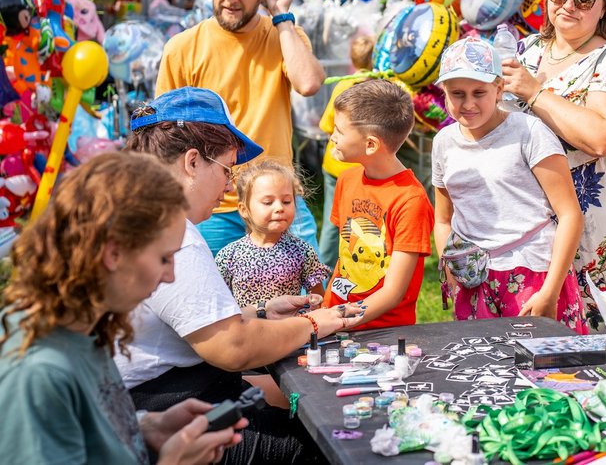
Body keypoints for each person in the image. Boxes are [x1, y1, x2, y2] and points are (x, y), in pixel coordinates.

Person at [119, 87, 361, 464]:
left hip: (148, 402)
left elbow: (182, 321)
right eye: (227, 169)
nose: (230, 186)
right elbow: (233, 347)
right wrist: (315, 322)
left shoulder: (135, 207)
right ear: (193, 162)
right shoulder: (171, 230)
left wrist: (262, 312)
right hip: (159, 409)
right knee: (327, 444)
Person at [0, 152, 247, 464]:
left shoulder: (82, 328)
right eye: (163, 258)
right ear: (114, 253)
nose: (170, 274)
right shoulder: (37, 375)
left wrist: (144, 426)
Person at [500, 0, 606, 331]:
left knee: (596, 340)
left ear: (604, 7)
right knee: (524, 338)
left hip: (593, 221)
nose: (568, 5)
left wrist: (535, 93)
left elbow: (604, 138)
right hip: (523, 218)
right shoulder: (525, 50)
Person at [157, 0, 325, 255]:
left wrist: (283, 17)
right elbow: (166, 136)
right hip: (212, 207)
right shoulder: (181, 48)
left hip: (278, 199)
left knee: (307, 298)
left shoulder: (283, 34)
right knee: (211, 302)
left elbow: (309, 83)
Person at [432, 38, 587, 333]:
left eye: (479, 92)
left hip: (534, 275)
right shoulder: (443, 143)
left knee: (546, 370)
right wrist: (450, 261)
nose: (468, 104)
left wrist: (550, 292)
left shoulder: (529, 132)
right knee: (485, 367)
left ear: (499, 89)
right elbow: (443, 218)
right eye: (457, 94)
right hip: (474, 279)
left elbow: (570, 215)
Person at [323, 79, 434, 329]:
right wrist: (326, 311)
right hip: (335, 318)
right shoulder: (347, 179)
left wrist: (337, 322)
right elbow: (345, 259)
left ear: (371, 144)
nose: (332, 137)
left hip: (381, 335)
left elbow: (393, 293)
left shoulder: (410, 201)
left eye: (340, 131)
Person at [216, 159, 331, 308]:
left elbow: (319, 301)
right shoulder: (229, 255)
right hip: (248, 329)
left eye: (287, 201)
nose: (279, 208)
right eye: (268, 202)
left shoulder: (302, 251)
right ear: (244, 209)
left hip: (289, 329)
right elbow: (220, 305)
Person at [317, 34, 375, 268]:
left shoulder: (343, 84)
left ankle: (323, 269)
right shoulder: (378, 88)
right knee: (364, 220)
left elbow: (325, 125)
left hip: (334, 164)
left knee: (333, 221)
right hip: (361, 167)